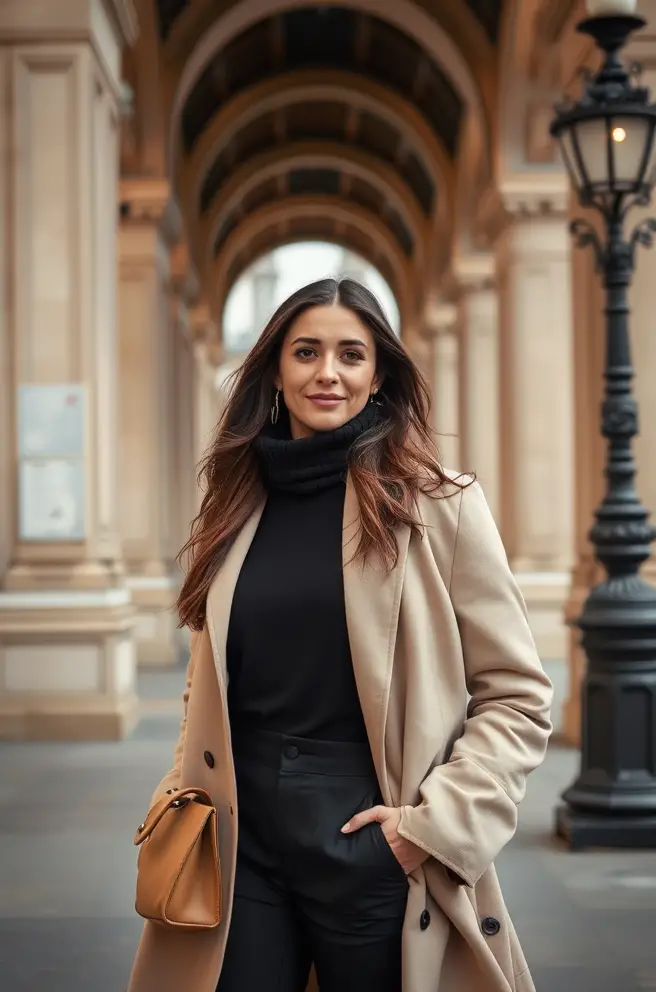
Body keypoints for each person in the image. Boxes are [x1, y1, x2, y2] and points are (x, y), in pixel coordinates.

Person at [128, 278, 552, 992]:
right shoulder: (237, 502)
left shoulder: (439, 506)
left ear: (378, 374)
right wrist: (182, 785)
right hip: (240, 840)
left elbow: (517, 695)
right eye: (307, 352)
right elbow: (208, 676)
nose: (328, 372)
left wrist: (427, 830)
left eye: (351, 354)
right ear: (276, 370)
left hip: (372, 830)